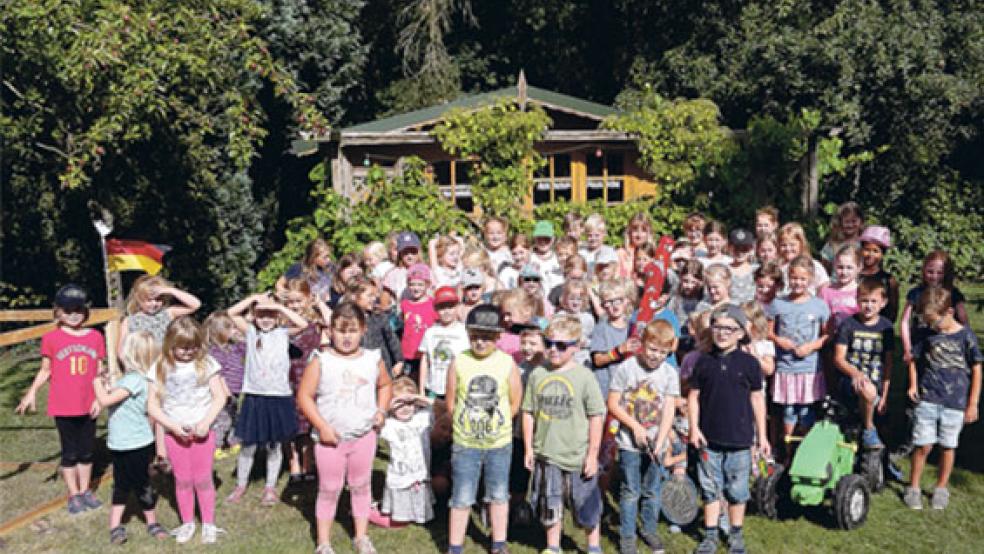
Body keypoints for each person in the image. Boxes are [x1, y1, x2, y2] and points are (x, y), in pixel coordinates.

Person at [297, 302, 393, 554]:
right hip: (330, 439)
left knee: (361, 484)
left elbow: (385, 385)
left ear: (363, 330)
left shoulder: (372, 359)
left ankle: (361, 537)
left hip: (363, 436)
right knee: (329, 488)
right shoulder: (321, 360)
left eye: (351, 330)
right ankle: (324, 542)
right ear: (330, 330)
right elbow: (304, 396)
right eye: (340, 330)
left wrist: (381, 411)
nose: (346, 337)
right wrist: (321, 426)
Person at [16, 284, 106, 515]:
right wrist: (32, 392)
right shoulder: (51, 338)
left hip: (88, 404)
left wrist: (100, 397)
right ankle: (73, 494)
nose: (74, 314)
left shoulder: (96, 337)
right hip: (63, 405)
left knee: (86, 452)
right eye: (68, 310)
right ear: (58, 312)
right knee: (70, 453)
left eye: (78, 309)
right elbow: (45, 370)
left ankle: (85, 490)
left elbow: (100, 370)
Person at [689, 306, 769, 554]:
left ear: (740, 333)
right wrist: (693, 428)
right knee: (710, 489)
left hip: (740, 439)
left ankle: (735, 533)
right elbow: (693, 397)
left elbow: (757, 400)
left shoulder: (749, 364)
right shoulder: (703, 362)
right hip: (708, 439)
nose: (722, 333)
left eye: (729, 329)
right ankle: (711, 534)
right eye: (718, 327)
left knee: (737, 491)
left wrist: (762, 436)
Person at [523, 315, 606, 554]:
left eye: (561, 345)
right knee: (550, 503)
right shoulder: (538, 374)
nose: (553, 349)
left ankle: (593, 546)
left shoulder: (585, 377)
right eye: (548, 343)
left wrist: (592, 455)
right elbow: (528, 412)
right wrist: (529, 447)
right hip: (547, 453)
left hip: (577, 455)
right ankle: (553, 545)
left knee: (587, 506)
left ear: (576, 346)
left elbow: (596, 416)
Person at [446, 304, 523, 554]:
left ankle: (499, 543)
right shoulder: (459, 361)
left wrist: (498, 424)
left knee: (499, 493)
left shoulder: (506, 362)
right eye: (475, 336)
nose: (480, 342)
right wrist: (464, 423)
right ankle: (455, 545)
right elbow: (451, 401)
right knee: (462, 496)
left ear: (498, 337)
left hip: (498, 443)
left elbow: (514, 401)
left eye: (487, 337)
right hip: (465, 442)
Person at [146, 316, 227, 544]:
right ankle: (187, 522)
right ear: (170, 344)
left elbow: (219, 396)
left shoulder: (207, 364)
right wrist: (172, 426)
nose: (188, 352)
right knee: (182, 479)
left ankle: (209, 523)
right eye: (182, 348)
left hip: (202, 432)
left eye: (193, 348)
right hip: (175, 434)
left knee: (202, 478)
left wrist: (205, 423)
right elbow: (152, 404)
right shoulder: (160, 367)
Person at [225, 293, 309, 506]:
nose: (266, 319)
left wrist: (279, 308)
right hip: (255, 396)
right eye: (261, 315)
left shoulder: (283, 333)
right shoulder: (251, 332)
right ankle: (241, 484)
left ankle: (270, 487)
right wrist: (253, 298)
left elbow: (303, 323)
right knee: (249, 444)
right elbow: (231, 313)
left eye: (270, 315)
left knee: (274, 445)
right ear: (254, 316)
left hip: (278, 396)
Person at [904, 287, 982, 510]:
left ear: (949, 312)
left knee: (948, 446)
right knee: (923, 445)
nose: (931, 325)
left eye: (934, 321)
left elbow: (976, 368)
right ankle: (914, 487)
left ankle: (941, 487)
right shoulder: (926, 334)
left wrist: (973, 402)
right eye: (927, 321)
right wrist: (912, 383)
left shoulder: (966, 337)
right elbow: (912, 358)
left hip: (955, 403)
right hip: (928, 398)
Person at [607, 320, 679, 554]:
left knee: (652, 490)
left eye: (662, 352)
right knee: (630, 490)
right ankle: (627, 535)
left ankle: (649, 529)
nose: (656, 356)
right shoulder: (627, 368)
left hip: (655, 443)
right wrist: (635, 427)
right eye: (652, 349)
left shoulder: (669, 373)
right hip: (629, 443)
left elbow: (669, 408)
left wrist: (661, 440)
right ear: (642, 344)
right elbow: (613, 404)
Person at [93, 331, 168, 544]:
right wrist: (108, 384)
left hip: (135, 444)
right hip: (120, 443)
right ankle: (115, 525)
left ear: (130, 355)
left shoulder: (135, 380)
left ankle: (151, 522)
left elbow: (106, 400)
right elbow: (116, 400)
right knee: (121, 484)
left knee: (141, 484)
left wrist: (96, 382)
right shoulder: (130, 380)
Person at [768, 256, 831, 451]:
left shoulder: (819, 305)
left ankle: (804, 450)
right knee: (788, 410)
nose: (798, 283)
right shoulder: (778, 304)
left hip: (809, 368)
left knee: (806, 410)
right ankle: (788, 450)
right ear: (788, 278)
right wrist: (780, 341)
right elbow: (768, 331)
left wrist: (811, 346)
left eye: (803, 279)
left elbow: (827, 335)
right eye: (794, 278)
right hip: (786, 367)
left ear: (811, 280)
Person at [833, 277, 895, 450]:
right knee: (866, 389)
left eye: (873, 301)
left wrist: (885, 396)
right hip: (850, 379)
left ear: (883, 303)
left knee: (869, 390)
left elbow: (888, 364)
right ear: (857, 301)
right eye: (864, 301)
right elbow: (838, 358)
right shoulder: (849, 325)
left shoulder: (886, 328)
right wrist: (856, 374)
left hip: (875, 378)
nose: (868, 305)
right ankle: (869, 428)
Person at [282, 279, 327, 483]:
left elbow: (332, 321)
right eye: (290, 302)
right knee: (289, 422)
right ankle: (294, 462)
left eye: (298, 301)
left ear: (308, 299)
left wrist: (319, 304)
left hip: (308, 375)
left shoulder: (316, 322)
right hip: (286, 376)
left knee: (308, 421)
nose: (294, 306)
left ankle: (309, 461)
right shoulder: (282, 323)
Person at [378, 377, 435, 525]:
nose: (404, 408)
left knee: (420, 494)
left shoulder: (422, 419)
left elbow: (436, 406)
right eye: (399, 404)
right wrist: (389, 404)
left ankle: (419, 515)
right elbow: (375, 416)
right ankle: (400, 516)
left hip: (420, 471)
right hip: (400, 473)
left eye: (409, 404)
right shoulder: (389, 425)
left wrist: (416, 397)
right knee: (401, 495)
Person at [900, 250, 970, 364]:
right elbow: (904, 321)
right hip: (919, 343)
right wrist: (907, 348)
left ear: (946, 273)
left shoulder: (952, 293)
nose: (934, 276)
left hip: (945, 345)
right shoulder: (916, 293)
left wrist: (966, 341)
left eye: (939, 272)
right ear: (923, 271)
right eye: (930, 272)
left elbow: (963, 319)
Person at [204, 310, 245, 460]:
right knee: (222, 419)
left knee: (234, 416)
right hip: (223, 391)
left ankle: (234, 441)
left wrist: (241, 338)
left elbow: (247, 348)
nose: (235, 330)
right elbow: (218, 373)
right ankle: (216, 445)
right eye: (231, 328)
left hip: (235, 389)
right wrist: (225, 392)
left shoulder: (233, 347)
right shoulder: (215, 351)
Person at [589, 280, 640, 398]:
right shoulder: (601, 328)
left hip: (628, 387)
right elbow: (597, 359)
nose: (614, 305)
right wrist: (619, 351)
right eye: (608, 302)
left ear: (626, 300)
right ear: (603, 306)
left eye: (618, 300)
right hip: (607, 388)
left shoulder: (633, 327)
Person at [419, 286, 470, 399]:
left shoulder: (464, 332)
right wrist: (421, 389)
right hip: (433, 387)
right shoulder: (430, 332)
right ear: (436, 309)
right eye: (442, 308)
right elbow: (425, 360)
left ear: (457, 307)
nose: (446, 311)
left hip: (456, 387)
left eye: (450, 307)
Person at [348, 276, 404, 377]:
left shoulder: (379, 317)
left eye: (374, 295)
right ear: (354, 296)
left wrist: (399, 360)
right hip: (357, 369)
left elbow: (392, 339)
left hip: (382, 368)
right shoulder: (346, 319)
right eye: (369, 296)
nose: (374, 299)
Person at [401, 263, 438, 377]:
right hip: (408, 353)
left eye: (420, 284)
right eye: (412, 284)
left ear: (427, 285)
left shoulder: (433, 304)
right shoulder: (405, 304)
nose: (416, 288)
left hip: (425, 353)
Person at [857, 225, 899, 322]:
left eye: (876, 251)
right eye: (867, 250)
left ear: (882, 254)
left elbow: (892, 312)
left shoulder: (888, 280)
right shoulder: (854, 277)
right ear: (861, 250)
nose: (870, 254)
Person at [777, 223, 830, 294]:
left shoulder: (814, 265)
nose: (788, 249)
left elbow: (824, 287)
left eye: (792, 245)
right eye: (783, 245)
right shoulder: (778, 268)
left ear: (801, 244)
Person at [276, 237, 333, 302]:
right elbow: (279, 284)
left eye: (329, 256)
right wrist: (288, 295)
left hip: (323, 305)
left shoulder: (330, 267)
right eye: (325, 257)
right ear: (313, 258)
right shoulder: (298, 268)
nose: (329, 260)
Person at [819, 244, 862, 329]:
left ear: (859, 268)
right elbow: (822, 320)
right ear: (834, 266)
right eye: (840, 267)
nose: (844, 272)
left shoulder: (861, 291)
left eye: (849, 268)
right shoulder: (826, 292)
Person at [820, 201, 864, 269]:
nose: (850, 225)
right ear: (840, 222)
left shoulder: (864, 243)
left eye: (854, 221)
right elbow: (824, 270)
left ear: (861, 222)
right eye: (847, 221)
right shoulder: (833, 244)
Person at [382, 231, 423, 301]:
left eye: (413, 252)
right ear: (400, 253)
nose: (410, 256)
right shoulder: (392, 274)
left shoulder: (427, 271)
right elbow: (384, 300)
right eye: (405, 252)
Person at [618, 212, 655, 279]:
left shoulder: (655, 254)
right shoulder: (621, 254)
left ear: (649, 233)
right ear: (629, 232)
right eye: (635, 230)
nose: (639, 235)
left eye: (643, 230)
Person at [530, 220, 563, 293]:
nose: (543, 242)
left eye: (546, 239)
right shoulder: (529, 258)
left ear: (553, 238)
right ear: (534, 238)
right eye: (539, 238)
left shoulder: (559, 257)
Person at [728, 228, 757, 304]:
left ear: (751, 249)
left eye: (744, 249)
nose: (740, 252)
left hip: (752, 312)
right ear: (730, 248)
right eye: (736, 248)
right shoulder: (725, 270)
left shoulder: (757, 270)